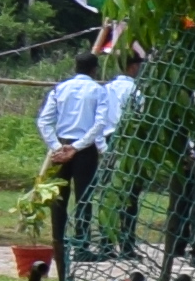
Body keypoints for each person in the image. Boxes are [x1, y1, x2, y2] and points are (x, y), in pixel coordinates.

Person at [36, 42, 130, 252]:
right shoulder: (98, 90)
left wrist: (57, 146)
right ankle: (82, 241)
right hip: (84, 150)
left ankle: (58, 239)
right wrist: (77, 147)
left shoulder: (60, 88)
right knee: (84, 196)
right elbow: (99, 124)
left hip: (61, 146)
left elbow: (44, 121)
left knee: (58, 195)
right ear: (94, 69)